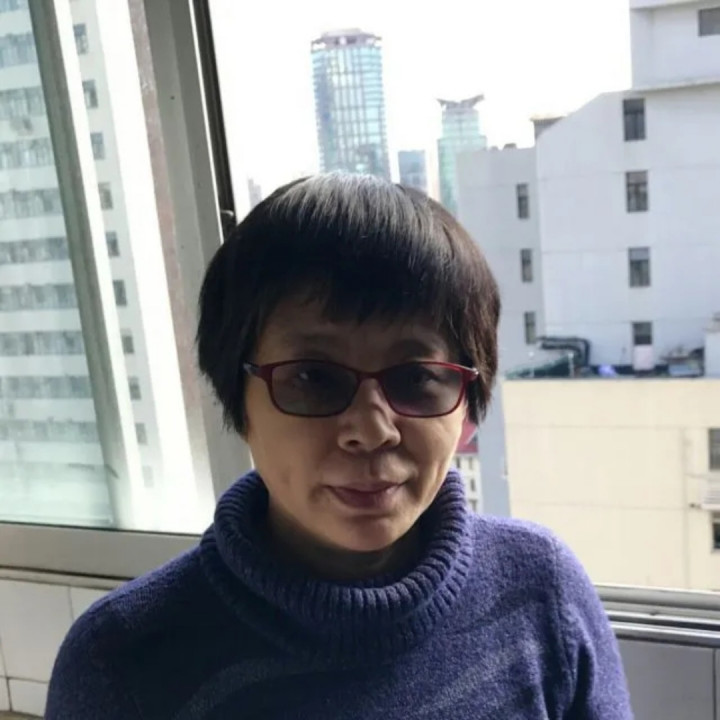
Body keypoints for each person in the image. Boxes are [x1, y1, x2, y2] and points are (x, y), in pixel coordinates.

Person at [46, 174, 633, 719]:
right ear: (237, 399)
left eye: (416, 377)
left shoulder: (541, 591)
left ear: (466, 404)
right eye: (313, 378)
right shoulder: (123, 661)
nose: (371, 430)